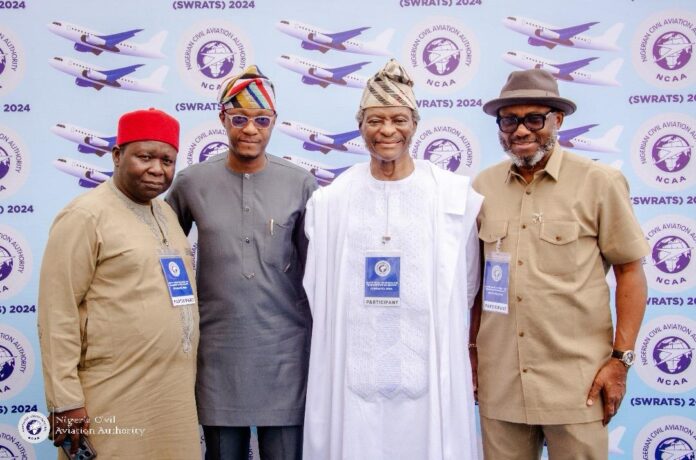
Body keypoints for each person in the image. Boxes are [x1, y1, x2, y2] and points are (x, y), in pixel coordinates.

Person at [301, 59, 482, 460]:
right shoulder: (332, 201)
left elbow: (467, 286)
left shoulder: (451, 197)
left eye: (398, 119)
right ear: (360, 125)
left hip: (430, 378)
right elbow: (317, 291)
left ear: (414, 124)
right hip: (351, 382)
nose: (386, 130)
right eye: (374, 120)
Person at [471, 68, 649, 459]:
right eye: (509, 120)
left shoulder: (599, 182)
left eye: (534, 119)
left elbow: (630, 272)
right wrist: (472, 352)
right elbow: (477, 285)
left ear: (558, 120)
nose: (520, 131)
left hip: (577, 383)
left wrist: (621, 360)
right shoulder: (481, 188)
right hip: (500, 381)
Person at [166, 65, 317, 460]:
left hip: (284, 352)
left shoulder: (301, 184)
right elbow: (162, 254)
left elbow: (319, 270)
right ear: (223, 119)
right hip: (217, 353)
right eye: (239, 118)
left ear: (274, 123)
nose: (250, 129)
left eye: (261, 120)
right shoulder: (190, 183)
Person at [38, 108, 200, 459]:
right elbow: (57, 311)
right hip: (112, 395)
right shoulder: (84, 216)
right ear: (116, 155)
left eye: (167, 160)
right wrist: (65, 402)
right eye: (145, 157)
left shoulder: (167, 214)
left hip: (173, 399)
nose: (157, 169)